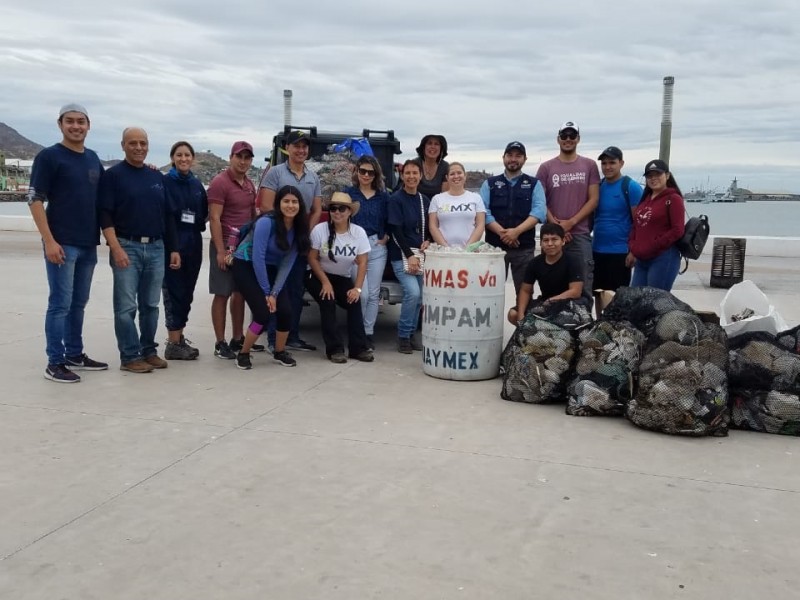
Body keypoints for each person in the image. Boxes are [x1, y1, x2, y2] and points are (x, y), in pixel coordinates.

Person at [27, 103, 108, 383]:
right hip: (61, 243)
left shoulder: (93, 158)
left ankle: (75, 353)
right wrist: (49, 241)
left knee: (78, 302)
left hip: (88, 243)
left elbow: (108, 193)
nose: (76, 126)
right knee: (60, 303)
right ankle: (55, 361)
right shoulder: (49, 157)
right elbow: (35, 199)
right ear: (60, 124)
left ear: (89, 125)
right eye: (70, 121)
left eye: (81, 121)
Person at [98, 127, 180, 373]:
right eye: (132, 143)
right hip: (127, 246)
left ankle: (148, 351)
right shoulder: (113, 176)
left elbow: (168, 215)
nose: (138, 147)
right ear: (123, 145)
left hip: (156, 247)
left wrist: (173, 248)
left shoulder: (156, 177)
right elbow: (104, 214)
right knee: (125, 307)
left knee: (151, 306)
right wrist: (116, 247)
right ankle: (129, 356)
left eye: (143, 143)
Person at [230, 185, 310, 370]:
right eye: (286, 201)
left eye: (294, 202)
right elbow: (258, 257)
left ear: (300, 205)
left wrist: (275, 292)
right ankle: (243, 353)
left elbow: (287, 264)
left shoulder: (299, 228)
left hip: (271, 267)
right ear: (278, 204)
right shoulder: (267, 222)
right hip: (246, 264)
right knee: (262, 313)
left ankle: (279, 351)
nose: (290, 205)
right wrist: (267, 293)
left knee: (286, 311)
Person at [258, 130, 323, 353]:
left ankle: (292, 336)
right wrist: (285, 229)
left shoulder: (313, 178)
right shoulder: (275, 173)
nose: (301, 150)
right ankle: (273, 339)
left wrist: (304, 231)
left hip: (299, 241)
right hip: (278, 242)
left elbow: (316, 209)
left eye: (305, 146)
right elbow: (266, 206)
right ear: (288, 148)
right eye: (297, 146)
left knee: (296, 289)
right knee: (277, 289)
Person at [536, 121, 601, 303]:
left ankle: (584, 324)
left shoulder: (589, 165)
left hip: (580, 235)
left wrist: (570, 223)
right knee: (551, 284)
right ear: (558, 139)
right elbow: (541, 201)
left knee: (584, 286)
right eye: (564, 136)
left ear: (578, 139)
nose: (568, 139)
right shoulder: (546, 168)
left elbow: (594, 199)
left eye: (572, 136)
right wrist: (557, 228)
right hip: (553, 237)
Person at [306, 192, 374, 364]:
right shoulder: (319, 230)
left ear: (350, 211)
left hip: (341, 276)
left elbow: (363, 263)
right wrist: (325, 282)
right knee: (328, 299)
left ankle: (358, 348)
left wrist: (357, 289)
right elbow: (312, 258)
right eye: (333, 208)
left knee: (354, 301)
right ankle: (335, 349)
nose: (337, 212)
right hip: (316, 275)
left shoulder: (358, 233)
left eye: (341, 208)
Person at [207, 141, 260, 360]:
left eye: (247, 158)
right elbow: (215, 218)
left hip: (243, 249)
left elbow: (252, 217)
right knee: (222, 293)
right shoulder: (220, 182)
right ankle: (220, 343)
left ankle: (237, 338)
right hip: (224, 246)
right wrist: (220, 251)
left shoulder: (249, 184)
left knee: (240, 294)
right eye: (239, 157)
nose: (243, 161)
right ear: (231, 157)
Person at [479, 141, 546, 294]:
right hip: (494, 249)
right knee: (490, 294)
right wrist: (504, 233)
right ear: (503, 157)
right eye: (510, 155)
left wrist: (516, 232)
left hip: (524, 249)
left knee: (524, 294)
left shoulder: (534, 184)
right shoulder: (489, 184)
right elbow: (483, 212)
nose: (513, 159)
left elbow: (539, 212)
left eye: (518, 155)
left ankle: (521, 318)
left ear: (525, 159)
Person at [162, 141, 208, 360]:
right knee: (173, 291)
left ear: (193, 158)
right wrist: (173, 247)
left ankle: (179, 338)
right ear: (172, 158)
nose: (183, 159)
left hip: (193, 242)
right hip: (173, 243)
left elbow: (203, 216)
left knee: (187, 292)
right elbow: (165, 216)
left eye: (187, 155)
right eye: (179, 155)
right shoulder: (164, 182)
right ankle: (172, 342)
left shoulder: (197, 185)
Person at [592, 146, 644, 313]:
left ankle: (615, 328)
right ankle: (599, 327)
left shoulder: (631, 187)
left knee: (617, 297)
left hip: (620, 252)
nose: (607, 167)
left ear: (621, 163)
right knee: (598, 294)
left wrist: (633, 251)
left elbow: (640, 223)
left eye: (612, 163)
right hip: (597, 250)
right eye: (604, 163)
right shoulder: (598, 186)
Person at [346, 155, 389, 348]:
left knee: (373, 294)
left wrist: (386, 235)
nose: (366, 175)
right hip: (355, 249)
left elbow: (390, 218)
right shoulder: (349, 194)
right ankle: (357, 331)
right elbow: (340, 219)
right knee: (359, 293)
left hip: (376, 246)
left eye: (370, 172)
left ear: (375, 174)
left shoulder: (383, 196)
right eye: (362, 171)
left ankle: (367, 333)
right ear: (357, 172)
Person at [388, 159, 431, 354]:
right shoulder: (396, 199)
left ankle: (412, 333)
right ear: (402, 176)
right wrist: (409, 255)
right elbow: (395, 231)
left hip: (420, 255)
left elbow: (429, 228)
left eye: (415, 173)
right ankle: (403, 335)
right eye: (408, 173)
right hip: (401, 255)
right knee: (412, 293)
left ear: (420, 176)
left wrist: (428, 240)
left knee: (421, 296)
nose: (411, 176)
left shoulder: (424, 200)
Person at [507, 223, 584, 325]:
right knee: (513, 314)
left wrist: (552, 300)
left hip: (569, 304)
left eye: (554, 239)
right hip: (544, 302)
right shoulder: (534, 263)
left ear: (563, 241)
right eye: (546, 240)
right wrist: (521, 316)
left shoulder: (573, 260)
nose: (550, 244)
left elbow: (575, 291)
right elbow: (525, 290)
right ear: (541, 243)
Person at [629, 159, 686, 291]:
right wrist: (633, 246)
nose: (653, 179)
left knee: (655, 302)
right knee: (635, 300)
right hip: (642, 260)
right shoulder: (645, 200)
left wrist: (654, 245)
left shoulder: (673, 199)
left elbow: (678, 230)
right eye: (650, 176)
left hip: (663, 258)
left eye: (658, 175)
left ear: (667, 175)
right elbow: (636, 225)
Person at [428, 161, 486, 248]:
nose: (456, 176)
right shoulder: (437, 199)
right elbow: (433, 226)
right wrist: (446, 248)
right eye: (452, 174)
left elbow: (480, 225)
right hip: (444, 252)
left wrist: (468, 248)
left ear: (465, 176)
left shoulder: (476, 198)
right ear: (447, 178)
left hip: (469, 252)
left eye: (459, 173)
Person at [415, 134, 449, 198]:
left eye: (436, 144)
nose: (433, 146)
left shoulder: (445, 167)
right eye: (429, 143)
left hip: (437, 205)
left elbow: (445, 196)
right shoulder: (415, 164)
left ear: (441, 148)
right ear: (423, 147)